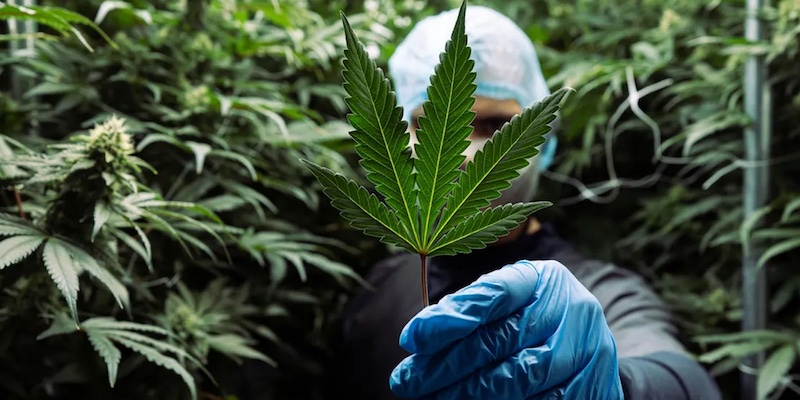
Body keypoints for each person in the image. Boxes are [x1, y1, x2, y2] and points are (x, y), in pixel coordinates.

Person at [332, 5, 723, 400]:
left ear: (542, 141)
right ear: (397, 138)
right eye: (429, 122)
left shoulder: (595, 295)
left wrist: (620, 385)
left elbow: (683, 379)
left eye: (493, 126)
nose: (463, 153)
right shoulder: (376, 291)